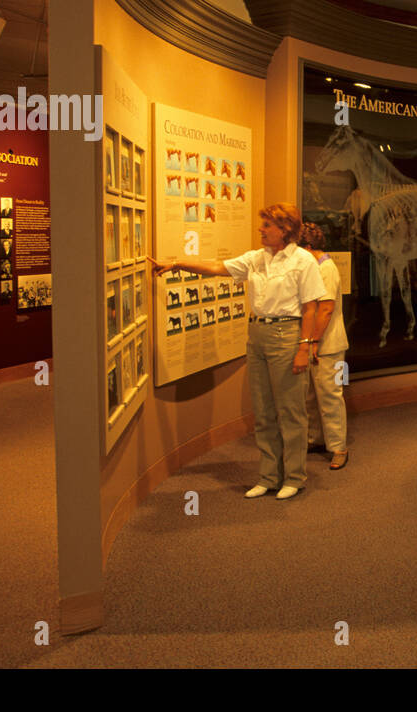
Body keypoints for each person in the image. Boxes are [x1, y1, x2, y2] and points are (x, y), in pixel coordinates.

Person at [149, 202, 324, 500]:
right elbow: (219, 268)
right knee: (264, 411)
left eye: (267, 224)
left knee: (291, 411)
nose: (261, 229)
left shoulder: (303, 261)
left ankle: (294, 476)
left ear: (284, 229)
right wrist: (178, 263)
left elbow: (310, 308)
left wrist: (304, 347)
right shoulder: (256, 259)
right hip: (256, 334)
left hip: (286, 334)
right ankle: (269, 477)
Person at [299, 222, 349, 469]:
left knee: (330, 396)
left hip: (328, 343)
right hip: (314, 343)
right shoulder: (314, 268)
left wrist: (314, 341)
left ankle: (338, 446)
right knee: (311, 396)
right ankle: (315, 439)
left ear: (308, 247)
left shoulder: (326, 269)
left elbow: (326, 308)